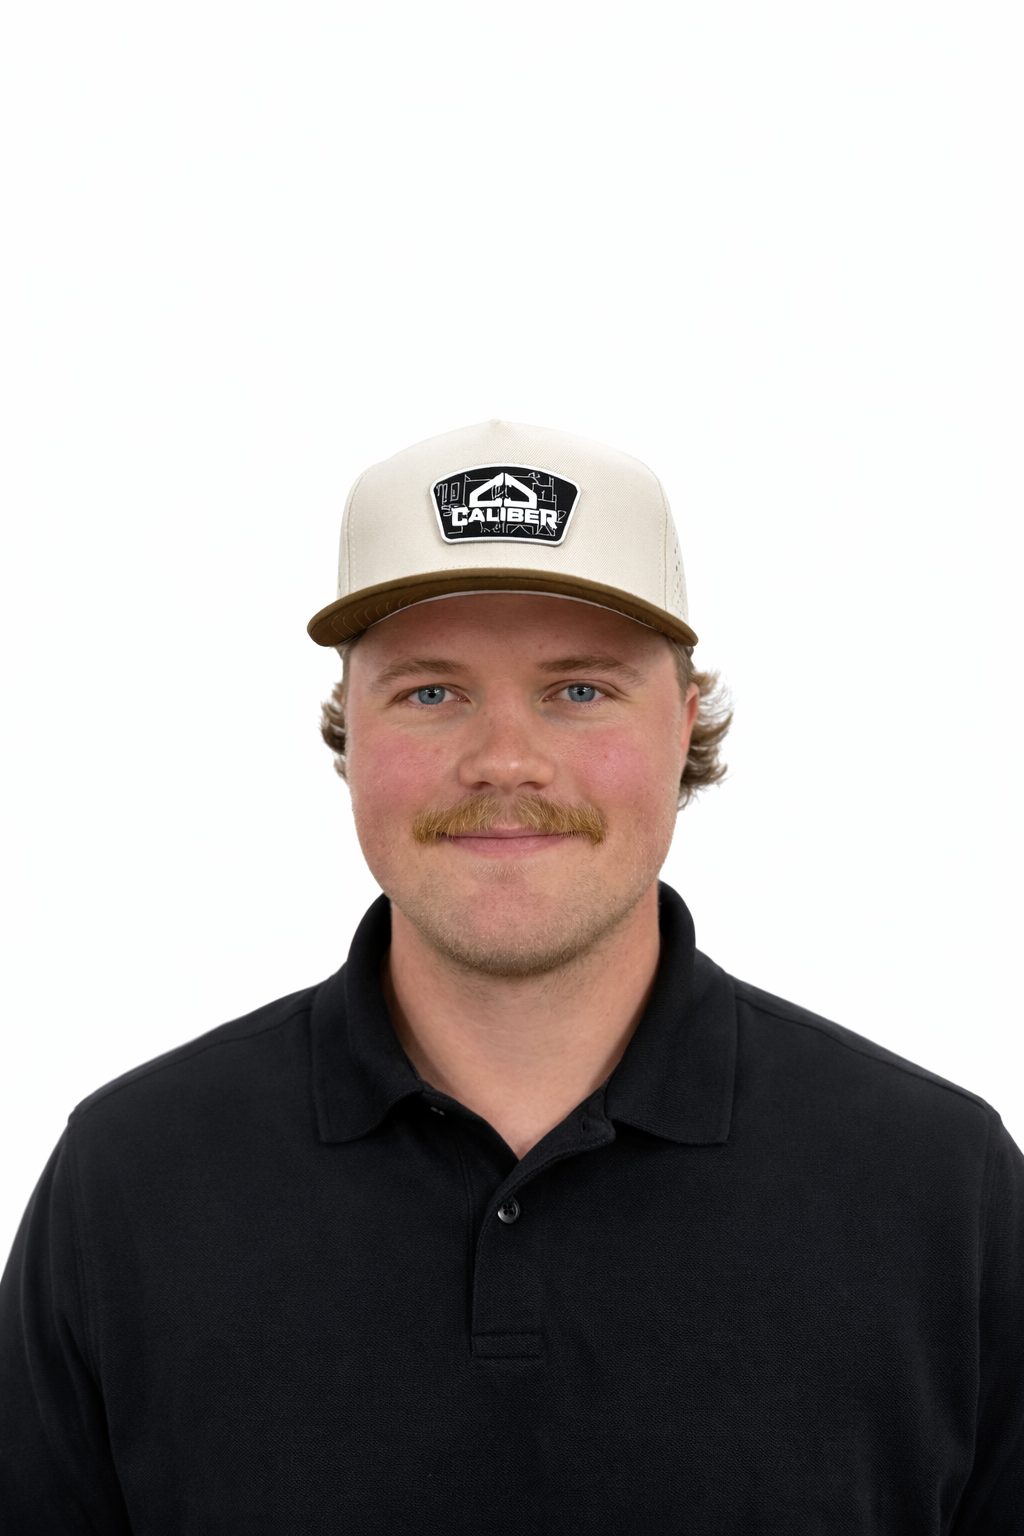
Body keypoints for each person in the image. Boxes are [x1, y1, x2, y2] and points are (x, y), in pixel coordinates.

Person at [0, 420, 1020, 1533]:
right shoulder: (132, 1179)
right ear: (349, 727)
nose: (503, 760)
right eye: (430, 693)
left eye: (578, 691)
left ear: (684, 725)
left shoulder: (941, 1190)